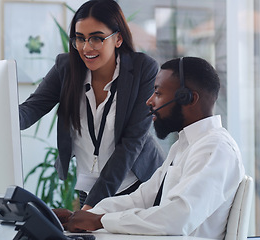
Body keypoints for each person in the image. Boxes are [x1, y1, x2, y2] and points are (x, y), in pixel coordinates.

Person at [53, 57, 246, 239]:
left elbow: (178, 217)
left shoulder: (215, 148)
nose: (150, 101)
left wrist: (100, 220)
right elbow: (141, 198)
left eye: (158, 93)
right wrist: (84, 216)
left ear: (188, 98)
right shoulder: (184, 145)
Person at [19, 0, 165, 210]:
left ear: (118, 38)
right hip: (88, 188)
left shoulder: (143, 69)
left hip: (139, 187)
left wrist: (92, 206)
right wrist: (0, 117)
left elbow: (132, 142)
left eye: (97, 38)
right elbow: (31, 109)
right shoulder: (66, 68)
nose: (86, 48)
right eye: (80, 38)